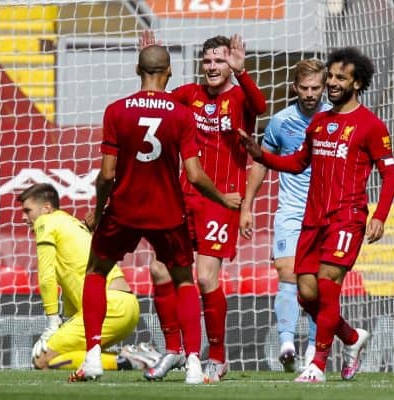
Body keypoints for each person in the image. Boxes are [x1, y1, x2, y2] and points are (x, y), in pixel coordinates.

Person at [70, 44, 241, 384]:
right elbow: (193, 174)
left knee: (96, 271)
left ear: (137, 70)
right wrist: (222, 197)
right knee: (183, 280)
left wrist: (98, 210)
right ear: (170, 73)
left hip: (124, 209)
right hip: (167, 212)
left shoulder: (116, 111)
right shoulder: (181, 114)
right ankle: (194, 363)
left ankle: (91, 357)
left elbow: (106, 174)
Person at [239, 47, 394, 383]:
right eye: (332, 77)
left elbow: (390, 175)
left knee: (327, 287)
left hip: (347, 219)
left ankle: (318, 364)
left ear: (357, 83)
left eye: (341, 77)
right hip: (312, 220)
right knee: (306, 293)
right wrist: (261, 155)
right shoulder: (319, 124)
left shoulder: (371, 126)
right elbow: (297, 163)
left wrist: (380, 215)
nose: (332, 83)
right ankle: (353, 339)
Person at [140, 31, 266, 383]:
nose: (212, 66)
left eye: (219, 60)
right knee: (160, 271)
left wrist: (241, 72)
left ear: (231, 63)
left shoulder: (241, 97)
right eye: (207, 60)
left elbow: (260, 107)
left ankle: (219, 356)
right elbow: (156, 101)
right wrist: (148, 65)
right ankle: (172, 350)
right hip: (183, 196)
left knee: (206, 277)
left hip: (222, 199)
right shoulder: (189, 95)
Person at [239, 59, 329, 373]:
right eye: (304, 88)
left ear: (324, 86)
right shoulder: (280, 121)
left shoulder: (334, 119)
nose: (309, 94)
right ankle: (287, 341)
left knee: (318, 285)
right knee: (287, 274)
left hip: (325, 213)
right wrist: (247, 205)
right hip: (291, 210)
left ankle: (314, 352)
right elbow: (262, 162)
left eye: (315, 88)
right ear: (294, 87)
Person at [18, 183, 159, 372]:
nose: (23, 217)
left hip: (109, 307)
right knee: (64, 359)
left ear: (46, 208)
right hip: (127, 306)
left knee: (41, 360)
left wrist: (52, 322)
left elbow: (46, 275)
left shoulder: (46, 221)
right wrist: (67, 321)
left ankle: (130, 360)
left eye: (28, 211)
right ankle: (133, 357)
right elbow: (70, 284)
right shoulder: (73, 224)